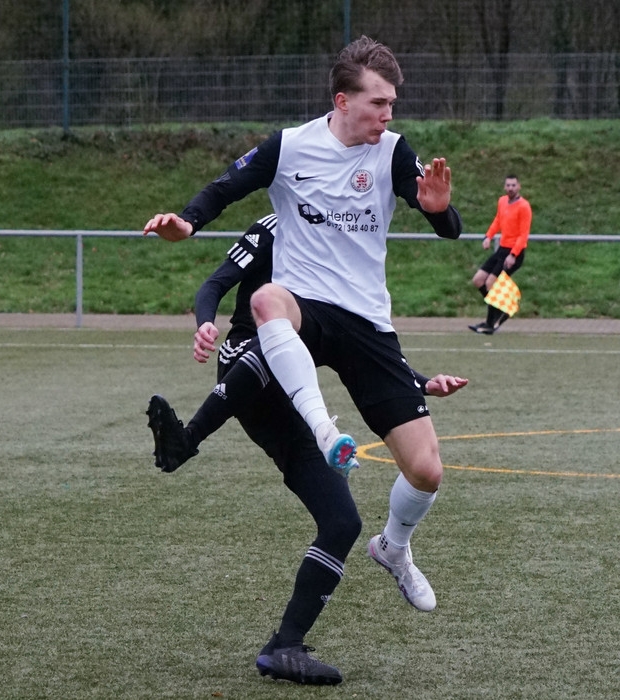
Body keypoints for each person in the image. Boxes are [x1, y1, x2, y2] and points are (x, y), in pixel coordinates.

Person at [143, 36, 463, 614]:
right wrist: (186, 223)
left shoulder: (393, 152)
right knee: (267, 300)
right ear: (343, 101)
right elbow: (224, 189)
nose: (388, 115)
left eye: (392, 104)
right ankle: (324, 433)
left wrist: (441, 212)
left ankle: (394, 548)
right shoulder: (290, 146)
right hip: (306, 304)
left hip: (366, 320)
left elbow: (447, 223)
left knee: (426, 470)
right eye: (378, 103)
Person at [146, 214, 467, 684]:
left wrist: (417, 382)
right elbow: (214, 283)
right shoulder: (274, 226)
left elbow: (352, 337)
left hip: (288, 394)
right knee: (274, 332)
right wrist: (204, 324)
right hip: (244, 362)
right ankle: (186, 440)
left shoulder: (343, 235)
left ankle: (286, 647)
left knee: (342, 522)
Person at [468, 174, 532, 334]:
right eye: (508, 185)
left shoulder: (524, 206)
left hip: (514, 252)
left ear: (519, 186)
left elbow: (523, 235)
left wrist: (513, 255)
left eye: (513, 185)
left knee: (491, 282)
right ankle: (499, 312)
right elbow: (498, 220)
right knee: (478, 280)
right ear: (504, 187)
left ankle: (490, 323)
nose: (510, 188)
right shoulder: (502, 201)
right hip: (502, 250)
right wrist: (488, 236)